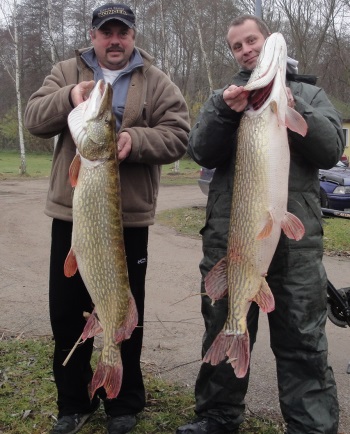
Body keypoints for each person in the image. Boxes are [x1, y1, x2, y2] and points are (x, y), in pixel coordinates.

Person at [24, 3, 190, 434]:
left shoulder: (156, 80)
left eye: (123, 32)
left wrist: (135, 139)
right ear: (94, 35)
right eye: (106, 32)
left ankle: (123, 403)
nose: (114, 40)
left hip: (129, 219)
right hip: (74, 214)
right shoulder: (66, 71)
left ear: (133, 36)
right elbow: (34, 120)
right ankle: (73, 403)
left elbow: (178, 135)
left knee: (125, 313)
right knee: (66, 313)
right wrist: (69, 98)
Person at [176, 14, 344, 434]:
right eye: (237, 46)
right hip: (229, 240)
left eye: (252, 41)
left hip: (295, 247)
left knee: (304, 342)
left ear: (267, 42)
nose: (246, 49)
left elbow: (330, 149)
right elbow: (200, 150)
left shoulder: (308, 93)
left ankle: (311, 427)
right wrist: (222, 110)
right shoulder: (227, 98)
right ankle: (217, 417)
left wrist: (290, 101)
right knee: (222, 322)